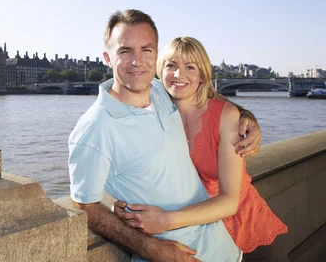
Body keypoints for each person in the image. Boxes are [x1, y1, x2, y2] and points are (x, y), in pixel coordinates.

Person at [68, 9, 261, 261]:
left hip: (224, 250)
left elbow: (206, 99)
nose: (137, 61)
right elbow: (85, 206)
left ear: (156, 55)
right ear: (107, 57)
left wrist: (247, 117)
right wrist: (153, 249)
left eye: (146, 49)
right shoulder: (93, 129)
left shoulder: (161, 91)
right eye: (125, 51)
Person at [113, 37, 288, 260]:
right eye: (171, 65)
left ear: (202, 75)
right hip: (200, 238)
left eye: (190, 67)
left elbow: (229, 201)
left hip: (247, 232)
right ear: (160, 71)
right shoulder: (155, 112)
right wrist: (123, 209)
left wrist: (165, 220)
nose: (178, 75)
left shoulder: (225, 116)